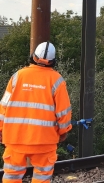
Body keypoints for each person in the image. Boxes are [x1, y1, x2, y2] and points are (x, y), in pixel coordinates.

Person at [0, 41, 72, 183]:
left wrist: (1, 129)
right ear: (52, 61)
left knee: (12, 176)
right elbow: (63, 112)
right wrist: (64, 132)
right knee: (42, 178)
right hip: (44, 141)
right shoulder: (57, 80)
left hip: (15, 139)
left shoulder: (17, 77)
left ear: (33, 57)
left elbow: (3, 106)